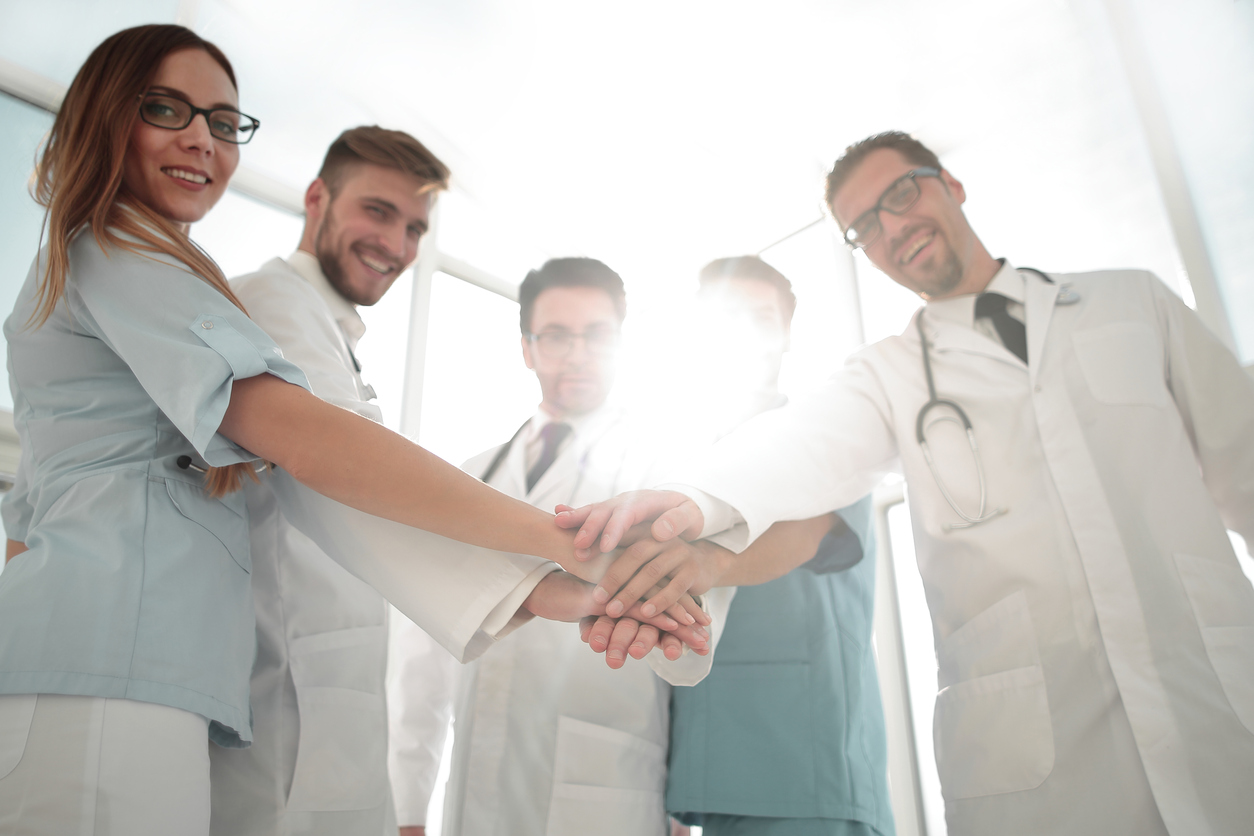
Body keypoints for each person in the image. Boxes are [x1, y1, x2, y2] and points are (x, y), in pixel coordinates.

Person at [0, 25, 703, 836]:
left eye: (225, 123)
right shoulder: (134, 253)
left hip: (141, 669)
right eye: (166, 108)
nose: (202, 137)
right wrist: (557, 545)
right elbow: (310, 446)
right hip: (114, 667)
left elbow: (35, 506)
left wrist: (543, 584)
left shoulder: (148, 274)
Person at [559, 131, 1254, 836]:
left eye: (901, 193)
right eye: (865, 227)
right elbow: (803, 449)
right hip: (1036, 757)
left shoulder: (1132, 303)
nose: (892, 228)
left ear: (949, 183)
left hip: (1220, 703)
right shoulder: (885, 374)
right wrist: (693, 506)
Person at [389, 257, 733, 836]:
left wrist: (684, 811)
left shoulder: (667, 470)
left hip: (611, 789)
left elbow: (697, 643)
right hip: (475, 790)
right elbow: (423, 654)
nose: (577, 354)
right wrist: (407, 808)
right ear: (527, 348)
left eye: (597, 335)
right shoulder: (471, 476)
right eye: (556, 336)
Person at [207, 125, 447, 836]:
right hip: (283, 702)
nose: (397, 246)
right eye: (377, 212)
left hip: (323, 702)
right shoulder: (273, 301)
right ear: (318, 198)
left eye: (414, 228)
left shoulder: (328, 326)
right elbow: (354, 467)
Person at [664, 256, 894, 836]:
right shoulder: (687, 452)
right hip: (711, 773)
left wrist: (705, 563)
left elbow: (808, 534)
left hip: (805, 762)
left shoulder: (824, 434)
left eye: (761, 318)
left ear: (787, 333)